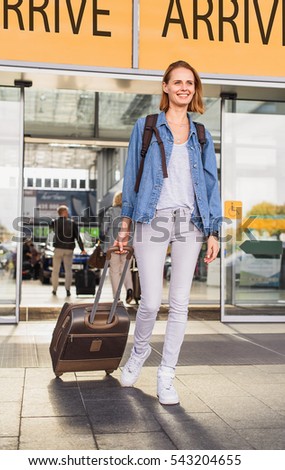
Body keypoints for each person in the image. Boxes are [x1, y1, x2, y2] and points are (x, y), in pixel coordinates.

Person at [115, 60, 222, 405]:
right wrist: (125, 222)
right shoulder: (145, 126)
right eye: (177, 82)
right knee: (149, 302)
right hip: (152, 217)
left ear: (195, 88)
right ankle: (139, 354)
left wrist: (214, 230)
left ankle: (167, 375)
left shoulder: (201, 133)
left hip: (190, 222)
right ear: (165, 87)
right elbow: (132, 174)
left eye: (189, 82)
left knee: (179, 304)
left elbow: (210, 184)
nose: (184, 87)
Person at [104, 191, 134, 304]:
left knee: (114, 271)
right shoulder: (131, 213)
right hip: (128, 245)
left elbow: (104, 228)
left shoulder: (111, 211)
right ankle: (130, 289)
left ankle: (117, 296)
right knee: (125, 269)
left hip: (113, 245)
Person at [50, 205, 86, 297]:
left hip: (58, 248)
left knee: (55, 270)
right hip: (69, 249)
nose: (68, 213)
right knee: (68, 270)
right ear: (64, 212)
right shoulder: (72, 223)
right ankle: (68, 290)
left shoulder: (54, 222)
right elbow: (77, 237)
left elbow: (51, 229)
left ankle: (54, 289)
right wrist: (82, 249)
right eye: (67, 211)